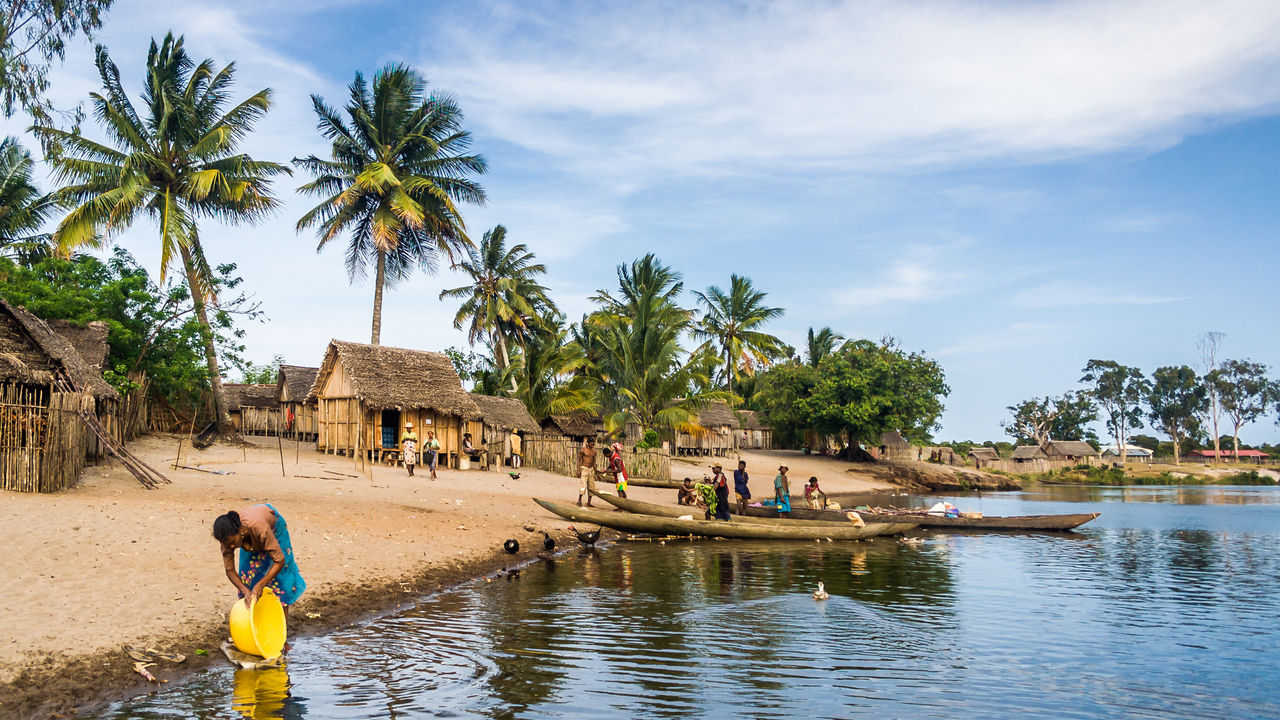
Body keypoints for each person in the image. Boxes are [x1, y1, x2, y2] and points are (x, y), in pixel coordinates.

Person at [213, 504, 306, 618]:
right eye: (227, 544)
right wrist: (245, 590)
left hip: (274, 529)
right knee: (249, 576)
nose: (231, 546)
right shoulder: (227, 540)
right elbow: (230, 570)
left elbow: (280, 561)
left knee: (280, 579)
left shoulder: (259, 527)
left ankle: (282, 625)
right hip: (249, 537)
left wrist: (261, 584)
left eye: (233, 542)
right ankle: (256, 619)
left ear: (241, 531)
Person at [577, 437, 598, 507]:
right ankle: (579, 500)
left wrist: (596, 472)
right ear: (588, 443)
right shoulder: (583, 450)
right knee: (583, 485)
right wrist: (578, 470)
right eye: (591, 443)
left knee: (592, 486)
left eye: (593, 443)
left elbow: (594, 462)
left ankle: (589, 502)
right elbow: (578, 460)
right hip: (584, 469)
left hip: (591, 470)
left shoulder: (594, 452)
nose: (593, 445)